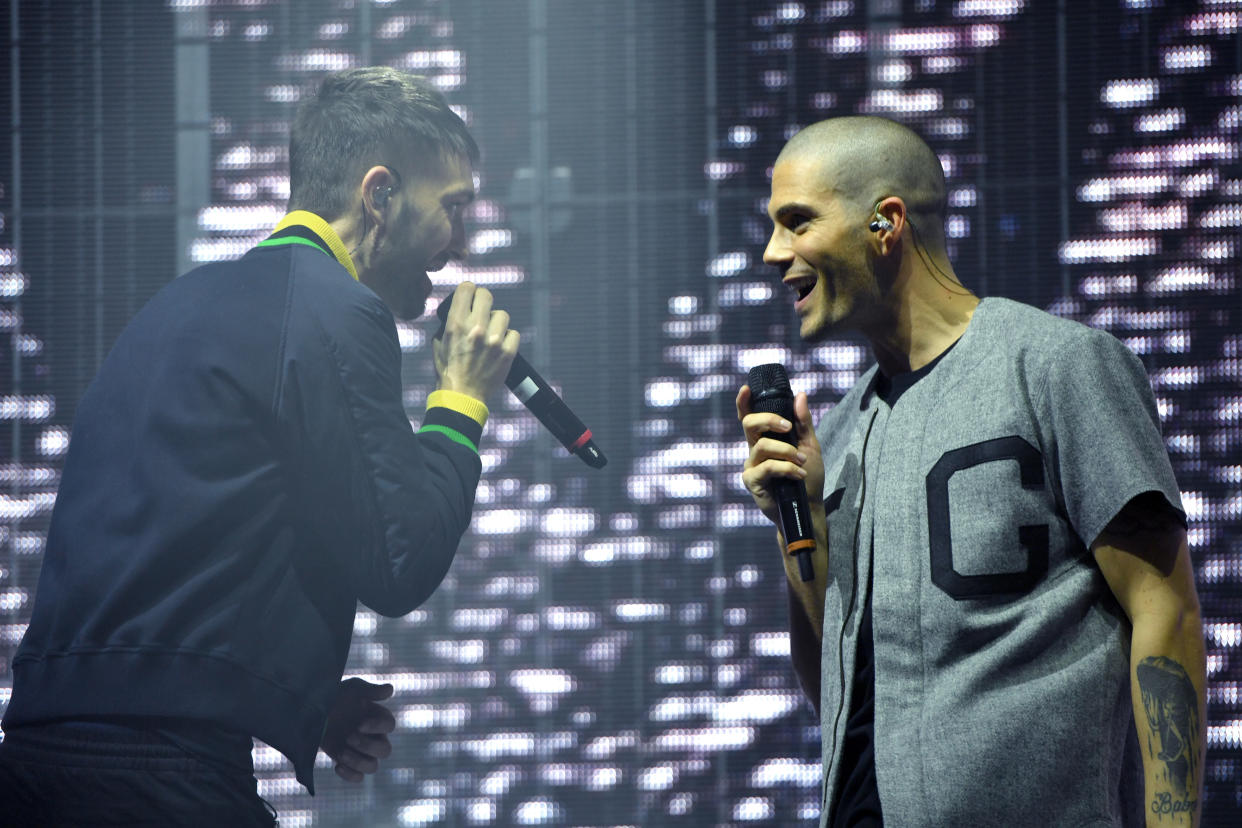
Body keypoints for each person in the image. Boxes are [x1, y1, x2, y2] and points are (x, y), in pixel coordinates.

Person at [0, 67, 518, 825]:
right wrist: (462, 398)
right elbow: (399, 563)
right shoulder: (333, 311)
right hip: (157, 780)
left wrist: (298, 701)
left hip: (37, 765)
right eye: (453, 209)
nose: (462, 242)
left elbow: (188, 556)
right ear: (379, 196)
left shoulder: (180, 306)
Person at [736, 116, 1205, 827]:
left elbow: (1165, 609)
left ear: (885, 223)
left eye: (796, 223)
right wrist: (801, 527)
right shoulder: (837, 435)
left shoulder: (1055, 368)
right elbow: (836, 688)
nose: (774, 254)